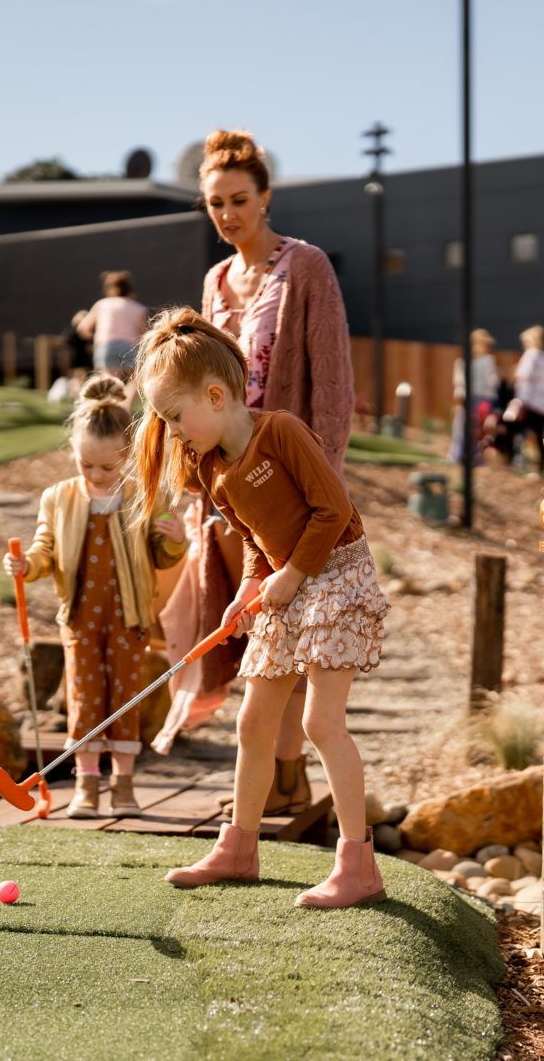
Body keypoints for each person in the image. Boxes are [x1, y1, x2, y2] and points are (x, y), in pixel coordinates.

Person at [132, 308, 389, 908]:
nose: (171, 431)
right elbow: (253, 537)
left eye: (174, 416)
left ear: (215, 396)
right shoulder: (213, 469)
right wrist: (248, 588)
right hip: (286, 581)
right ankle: (239, 849)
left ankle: (358, 865)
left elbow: (332, 510)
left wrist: (290, 575)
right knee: (252, 722)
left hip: (336, 574)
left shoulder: (282, 433)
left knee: (320, 723)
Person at [179, 127, 355, 814]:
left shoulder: (305, 266)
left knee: (293, 627)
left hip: (293, 481)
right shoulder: (215, 281)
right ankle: (279, 780)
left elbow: (332, 381)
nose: (227, 214)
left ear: (265, 198)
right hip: (232, 485)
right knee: (258, 632)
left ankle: (288, 774)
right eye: (215, 203)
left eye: (239, 200)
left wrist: (323, 480)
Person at [2, 374, 186, 818]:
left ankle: (123, 786)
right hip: (81, 617)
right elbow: (45, 550)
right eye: (87, 465)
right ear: (74, 453)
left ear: (128, 456)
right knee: (84, 698)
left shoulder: (144, 495)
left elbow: (161, 556)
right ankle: (86, 786)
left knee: (125, 698)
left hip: (129, 617)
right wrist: (26, 566)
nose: (97, 475)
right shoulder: (58, 498)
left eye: (108, 467)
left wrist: (177, 540)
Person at [78, 270, 147, 382]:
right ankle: (128, 395)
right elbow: (143, 333)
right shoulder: (138, 308)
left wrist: (94, 339)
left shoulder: (102, 304)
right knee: (136, 381)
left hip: (106, 346)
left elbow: (83, 328)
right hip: (131, 347)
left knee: (110, 382)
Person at [512, 325, 544, 470]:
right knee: (540, 437)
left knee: (520, 433)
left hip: (530, 402)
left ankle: (521, 463)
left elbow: (523, 378)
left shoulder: (531, 355)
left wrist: (520, 401)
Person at [451, 328, 498, 465]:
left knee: (478, 430)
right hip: (468, 398)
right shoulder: (462, 362)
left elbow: (492, 382)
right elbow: (459, 382)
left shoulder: (488, 361)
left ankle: (475, 456)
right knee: (461, 426)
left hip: (482, 399)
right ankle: (457, 455)